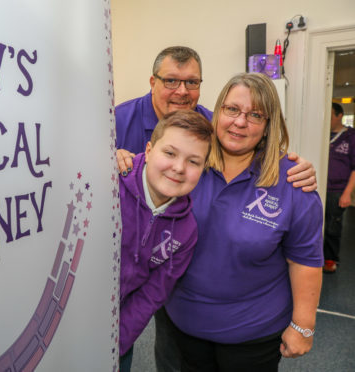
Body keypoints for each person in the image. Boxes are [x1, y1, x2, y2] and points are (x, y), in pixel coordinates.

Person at [115, 46, 318, 372]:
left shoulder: (286, 178)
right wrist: (109, 160)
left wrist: (303, 324)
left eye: (255, 115)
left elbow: (305, 258)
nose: (240, 122)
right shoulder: (129, 127)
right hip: (173, 312)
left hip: (247, 329)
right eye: (232, 110)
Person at [118, 110, 213, 372]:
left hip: (116, 334)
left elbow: (152, 294)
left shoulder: (186, 231)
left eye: (193, 161)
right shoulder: (108, 185)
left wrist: (118, 342)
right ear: (148, 150)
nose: (179, 168)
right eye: (169, 153)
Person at [323, 102, 355, 273]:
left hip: (337, 190)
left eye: (330, 115)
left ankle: (330, 259)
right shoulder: (321, 134)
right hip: (318, 186)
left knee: (332, 226)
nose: (327, 119)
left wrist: (347, 193)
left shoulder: (350, 137)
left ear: (339, 116)